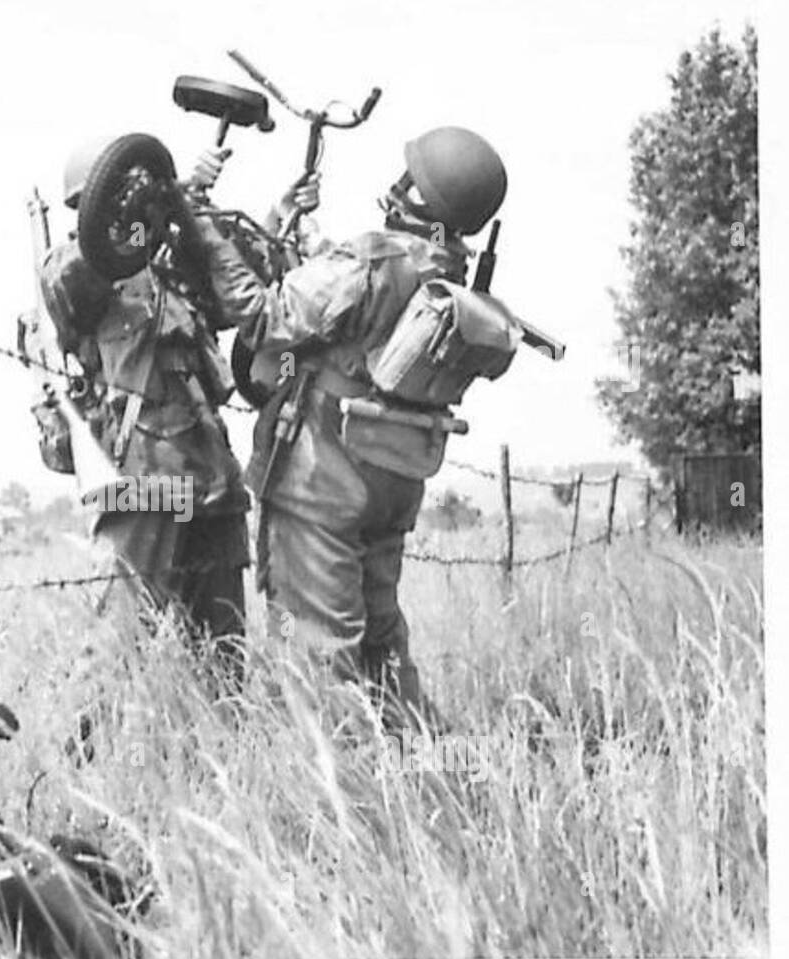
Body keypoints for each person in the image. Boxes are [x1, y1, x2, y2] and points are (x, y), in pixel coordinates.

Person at [188, 128, 510, 726]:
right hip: (390, 487)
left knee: (321, 657)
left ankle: (346, 799)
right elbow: (338, 305)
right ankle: (426, 773)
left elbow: (268, 319)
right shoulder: (443, 271)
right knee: (382, 646)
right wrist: (292, 222)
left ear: (418, 194)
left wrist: (204, 230)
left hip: (322, 485)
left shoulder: (374, 258)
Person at [39, 138, 252, 753]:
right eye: (127, 193)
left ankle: (223, 753)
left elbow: (236, 294)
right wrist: (143, 206)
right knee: (127, 627)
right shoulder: (73, 265)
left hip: (207, 481)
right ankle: (83, 758)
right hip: (148, 480)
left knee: (222, 636)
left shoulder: (166, 274)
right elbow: (81, 281)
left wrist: (189, 209)